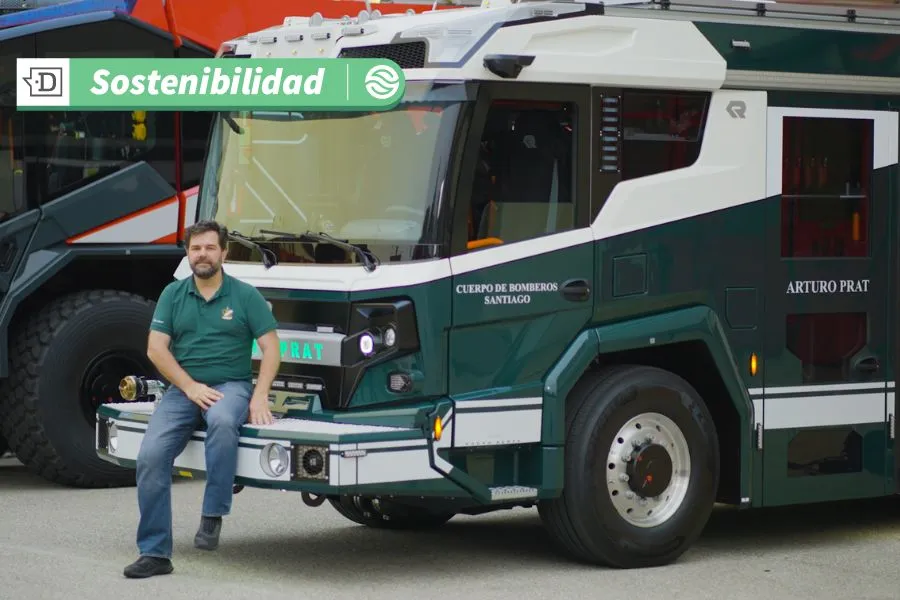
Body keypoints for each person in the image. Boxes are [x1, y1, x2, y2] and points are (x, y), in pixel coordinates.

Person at [123, 220, 281, 579]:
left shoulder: (244, 295)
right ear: (187, 253)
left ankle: (213, 514)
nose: (202, 255)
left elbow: (271, 347)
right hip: (183, 389)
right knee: (149, 457)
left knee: (224, 421)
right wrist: (190, 386)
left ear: (224, 252)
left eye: (210, 248)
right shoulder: (173, 295)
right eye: (196, 249)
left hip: (231, 386)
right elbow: (156, 348)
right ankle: (155, 553)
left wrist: (259, 396)